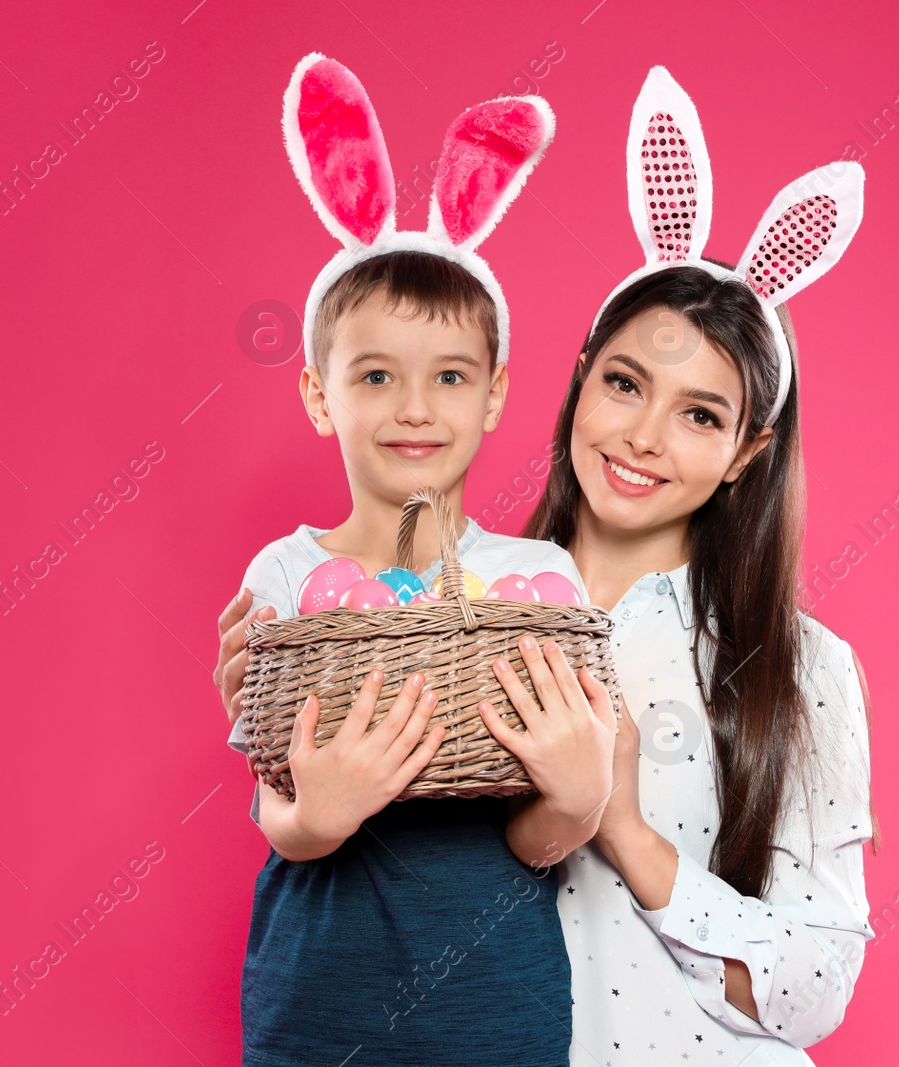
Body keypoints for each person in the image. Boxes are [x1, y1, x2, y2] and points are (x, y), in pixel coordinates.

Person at [478, 68, 878, 1063]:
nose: (643, 436)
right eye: (624, 383)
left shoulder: (804, 668)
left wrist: (622, 827)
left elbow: (817, 988)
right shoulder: (465, 606)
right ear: (579, 379)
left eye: (700, 412)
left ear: (748, 450)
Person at [224, 53, 614, 1067]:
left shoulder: (542, 584)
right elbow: (277, 812)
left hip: (498, 1007)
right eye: (375, 375)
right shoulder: (282, 574)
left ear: (492, 396)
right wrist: (323, 813)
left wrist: (578, 799)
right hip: (316, 1005)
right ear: (320, 394)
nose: (413, 407)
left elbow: (537, 835)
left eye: (449, 375)